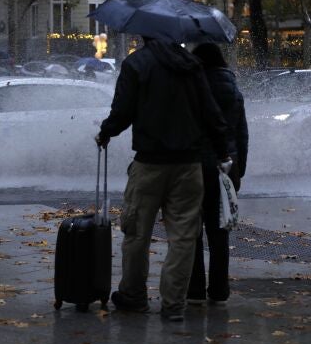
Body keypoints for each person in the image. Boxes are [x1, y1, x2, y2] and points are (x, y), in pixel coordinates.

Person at [95, 36, 231, 322]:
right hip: (189, 166)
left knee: (136, 233)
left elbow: (122, 112)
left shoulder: (136, 64)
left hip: (150, 165)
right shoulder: (193, 65)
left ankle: (133, 297)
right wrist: (223, 152)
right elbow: (210, 112)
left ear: (145, 34)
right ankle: (173, 305)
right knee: (183, 238)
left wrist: (106, 132)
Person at [187, 43, 249, 306]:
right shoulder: (233, 90)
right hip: (225, 167)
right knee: (220, 229)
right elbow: (241, 134)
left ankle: (196, 289)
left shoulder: (192, 88)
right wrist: (239, 169)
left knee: (192, 229)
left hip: (195, 166)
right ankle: (220, 289)